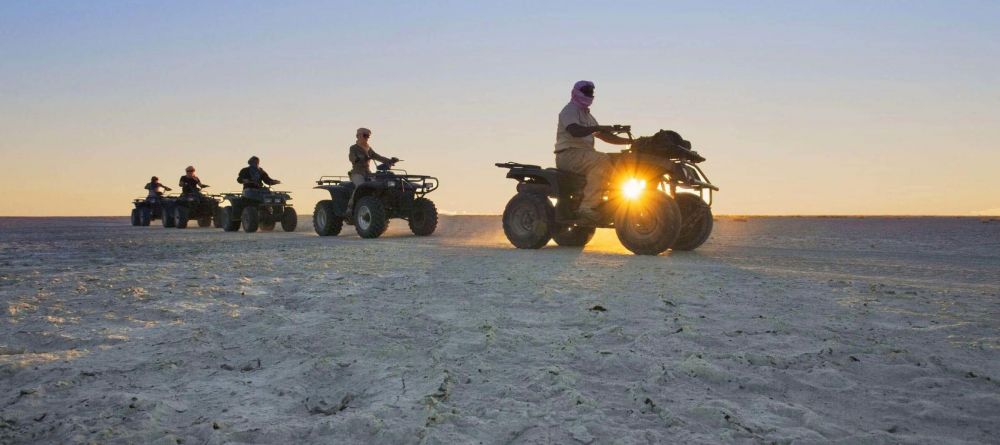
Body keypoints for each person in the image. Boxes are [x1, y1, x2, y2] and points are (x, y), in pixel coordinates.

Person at [554, 80, 631, 221]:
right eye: (586, 91)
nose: (589, 94)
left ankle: (612, 205)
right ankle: (587, 207)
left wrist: (631, 142)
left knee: (619, 163)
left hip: (584, 155)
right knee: (601, 160)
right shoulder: (570, 110)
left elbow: (605, 136)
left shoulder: (588, 116)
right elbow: (575, 130)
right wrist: (598, 128)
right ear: (577, 92)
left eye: (591, 92)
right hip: (569, 154)